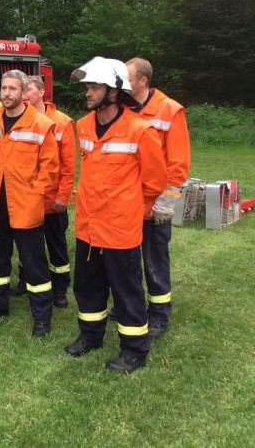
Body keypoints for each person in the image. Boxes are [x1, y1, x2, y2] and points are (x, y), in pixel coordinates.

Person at [65, 57, 166, 373]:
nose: (88, 93)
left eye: (93, 87)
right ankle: (90, 336)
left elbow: (154, 182)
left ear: (114, 90)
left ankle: (135, 350)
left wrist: (131, 208)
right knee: (87, 287)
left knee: (127, 293)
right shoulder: (82, 126)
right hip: (88, 227)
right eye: (87, 87)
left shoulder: (139, 130)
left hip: (120, 230)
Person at [0, 70, 59, 337]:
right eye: (3, 88)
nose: (6, 93)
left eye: (12, 89)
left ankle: (42, 316)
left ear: (24, 93)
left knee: (34, 263)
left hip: (26, 204)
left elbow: (50, 167)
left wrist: (37, 195)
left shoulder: (41, 124)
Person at [126, 57, 191, 338]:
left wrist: (165, 202)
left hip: (154, 204)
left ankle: (160, 314)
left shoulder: (169, 110)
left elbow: (178, 163)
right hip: (127, 201)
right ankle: (133, 305)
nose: (121, 83)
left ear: (143, 80)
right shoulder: (125, 109)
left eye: (127, 78)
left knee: (155, 261)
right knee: (127, 260)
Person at [13, 76, 76, 308]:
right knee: (27, 244)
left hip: (51, 200)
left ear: (41, 92)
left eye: (28, 89)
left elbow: (68, 165)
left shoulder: (61, 122)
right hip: (26, 198)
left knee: (56, 245)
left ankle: (60, 288)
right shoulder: (20, 118)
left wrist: (62, 196)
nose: (25, 94)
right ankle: (24, 281)